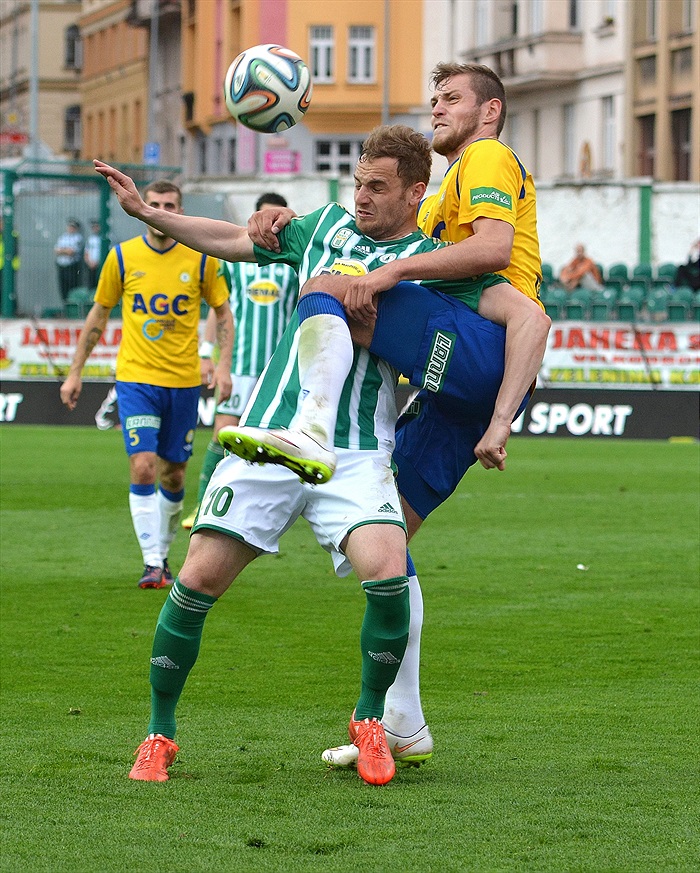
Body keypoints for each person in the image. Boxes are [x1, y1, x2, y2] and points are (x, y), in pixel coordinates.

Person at [93, 124, 547, 785]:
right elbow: (233, 240)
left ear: (416, 193)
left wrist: (498, 416)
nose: (361, 196)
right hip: (269, 433)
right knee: (196, 580)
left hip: (357, 448)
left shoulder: (434, 261)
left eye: (378, 187)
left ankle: (371, 721)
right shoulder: (324, 226)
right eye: (358, 183)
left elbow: (521, 313)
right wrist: (147, 213)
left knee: (388, 571)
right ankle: (159, 734)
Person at [246, 64, 548, 762]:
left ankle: (311, 426)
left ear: (490, 111)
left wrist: (390, 271)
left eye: (452, 98)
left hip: (480, 350)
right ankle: (401, 724)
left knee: (337, 289)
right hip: (460, 386)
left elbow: (503, 265)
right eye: (434, 98)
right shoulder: (445, 193)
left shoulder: (486, 156)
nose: (437, 108)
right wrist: (285, 220)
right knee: (384, 546)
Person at [59, 180, 234, 590]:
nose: (161, 211)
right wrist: (75, 371)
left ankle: (163, 556)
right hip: (136, 378)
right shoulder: (122, 257)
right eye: (154, 203)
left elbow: (223, 314)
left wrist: (222, 366)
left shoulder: (201, 258)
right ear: (142, 207)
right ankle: (152, 561)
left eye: (169, 205)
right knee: (142, 466)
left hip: (184, 382)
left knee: (173, 476)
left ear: (180, 210)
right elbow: (99, 315)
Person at [181, 193, 298, 529]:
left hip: (278, 370)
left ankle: (264, 514)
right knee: (222, 435)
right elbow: (218, 310)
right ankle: (204, 506)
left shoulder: (293, 262)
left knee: (276, 444)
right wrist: (208, 354)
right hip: (239, 366)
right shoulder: (235, 261)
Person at [54, 218, 84, 302]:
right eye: (70, 226)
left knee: (72, 287)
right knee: (63, 287)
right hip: (62, 266)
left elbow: (71, 252)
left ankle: (72, 304)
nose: (71, 228)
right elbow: (56, 251)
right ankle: (65, 304)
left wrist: (62, 250)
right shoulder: (63, 237)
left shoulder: (78, 238)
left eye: (73, 227)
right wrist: (65, 251)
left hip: (72, 267)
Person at [83, 220, 103, 291]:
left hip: (101, 265)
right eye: (93, 227)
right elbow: (86, 253)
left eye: (96, 226)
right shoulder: (90, 239)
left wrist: (98, 262)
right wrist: (89, 263)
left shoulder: (105, 238)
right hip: (91, 266)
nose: (95, 228)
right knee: (91, 284)